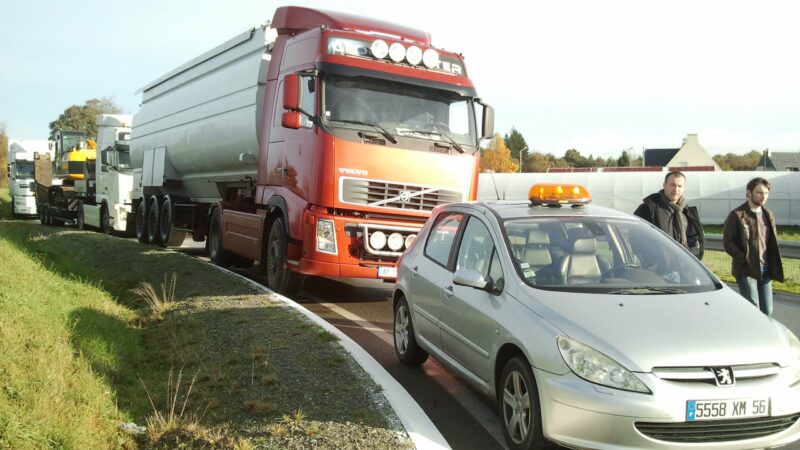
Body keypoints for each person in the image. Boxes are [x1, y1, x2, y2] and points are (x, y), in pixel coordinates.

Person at [722, 177, 784, 316]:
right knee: (753, 309)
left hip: (766, 268)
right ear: (749, 193)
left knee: (767, 310)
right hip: (746, 269)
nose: (763, 196)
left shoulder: (768, 214)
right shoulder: (737, 215)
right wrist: (743, 258)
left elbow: (771, 241)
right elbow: (728, 242)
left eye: (766, 193)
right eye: (759, 192)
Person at [634, 171, 704, 259]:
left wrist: (692, 259)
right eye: (673, 185)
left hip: (683, 263)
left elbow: (694, 240)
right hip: (659, 265)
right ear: (664, 185)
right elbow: (636, 238)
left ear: (684, 188)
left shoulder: (687, 212)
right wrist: (652, 262)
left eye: (680, 186)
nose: (676, 189)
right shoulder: (648, 209)